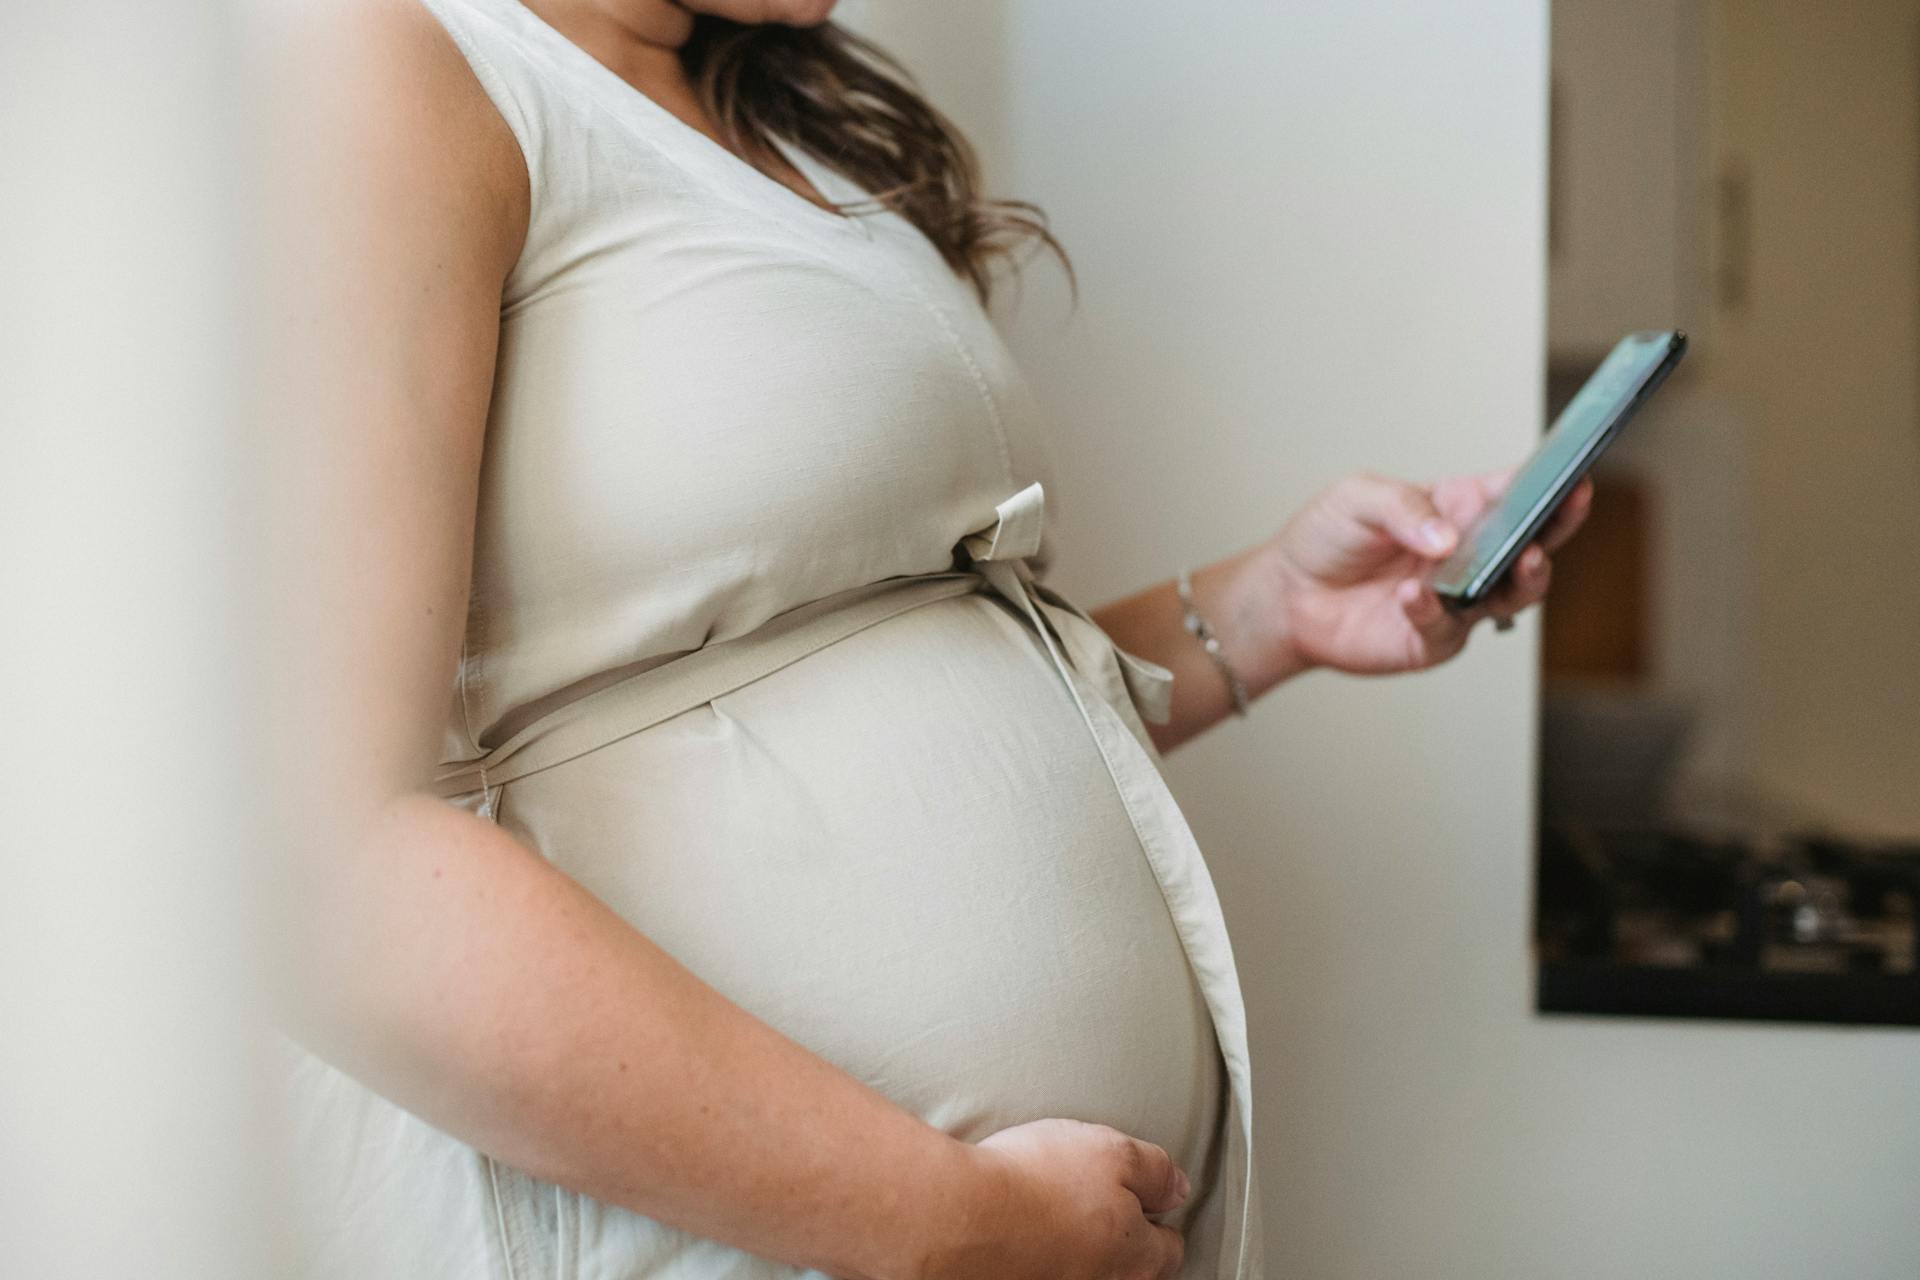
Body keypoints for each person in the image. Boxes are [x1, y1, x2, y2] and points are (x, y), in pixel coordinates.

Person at [262, 1, 1589, 1277]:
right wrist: (940, 1219)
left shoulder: (758, 108)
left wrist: (1271, 612)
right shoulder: (396, 65)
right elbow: (320, 873)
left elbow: (906, 668)